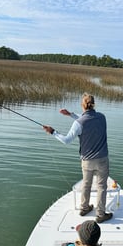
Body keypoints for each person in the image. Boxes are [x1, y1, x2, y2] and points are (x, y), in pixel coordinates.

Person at [43, 93, 112, 223]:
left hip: (87, 161)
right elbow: (89, 118)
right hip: (102, 159)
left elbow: (67, 140)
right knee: (101, 186)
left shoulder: (78, 123)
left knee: (86, 184)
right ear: (93, 104)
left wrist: (53, 131)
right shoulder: (102, 117)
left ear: (83, 105)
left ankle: (84, 208)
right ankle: (101, 214)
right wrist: (70, 114)